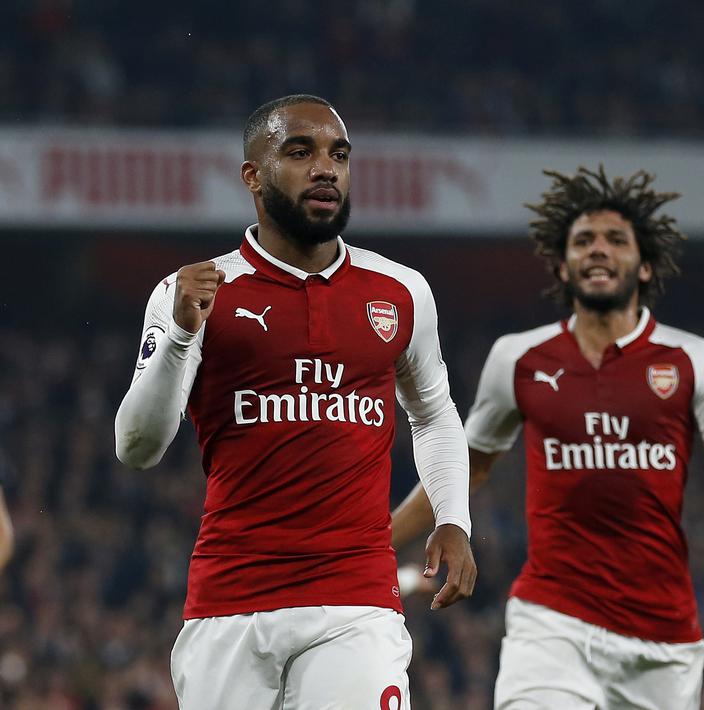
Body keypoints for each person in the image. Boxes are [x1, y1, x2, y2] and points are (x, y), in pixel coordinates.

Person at [114, 94, 476, 709]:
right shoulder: (197, 292)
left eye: (339, 154)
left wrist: (453, 518)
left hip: (357, 601)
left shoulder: (400, 291)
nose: (325, 168)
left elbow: (434, 414)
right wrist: (178, 335)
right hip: (231, 601)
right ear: (253, 175)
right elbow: (137, 449)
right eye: (300, 152)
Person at [390, 166, 704, 709]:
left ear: (644, 265)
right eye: (584, 240)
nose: (598, 249)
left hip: (661, 638)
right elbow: (462, 470)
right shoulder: (518, 358)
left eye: (616, 240)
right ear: (562, 266)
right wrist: (379, 543)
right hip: (550, 625)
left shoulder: (695, 360)